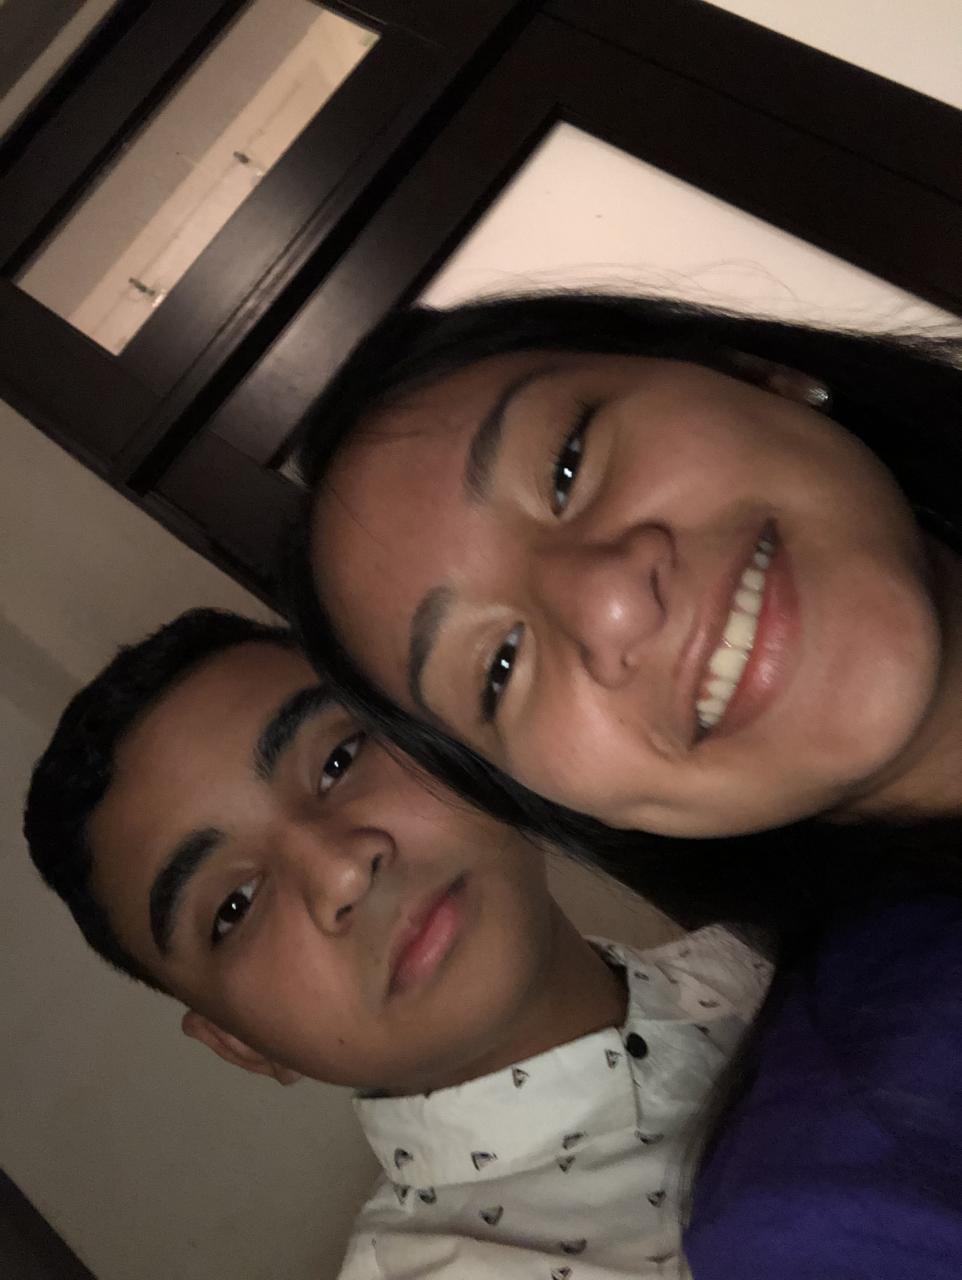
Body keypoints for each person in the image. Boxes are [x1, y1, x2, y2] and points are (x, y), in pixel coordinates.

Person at [289, 291, 962, 1276]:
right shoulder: (842, 1202)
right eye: (499, 668)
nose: (607, 601)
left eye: (566, 465)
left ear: (757, 374)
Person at [23, 607, 769, 1279]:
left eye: (339, 761)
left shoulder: (760, 956)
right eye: (235, 907)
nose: (342, 870)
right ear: (243, 1045)